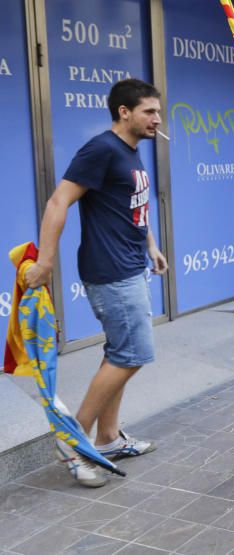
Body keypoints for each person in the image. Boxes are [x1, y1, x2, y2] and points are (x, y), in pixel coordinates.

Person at [26, 79, 168, 488]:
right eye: (149, 112)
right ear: (124, 112)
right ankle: (74, 442)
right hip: (110, 271)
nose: (157, 119)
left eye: (157, 111)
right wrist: (47, 262)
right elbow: (58, 201)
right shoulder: (101, 149)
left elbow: (133, 207)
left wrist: (151, 246)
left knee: (119, 352)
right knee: (131, 354)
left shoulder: (130, 151)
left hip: (130, 265)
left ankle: (107, 439)